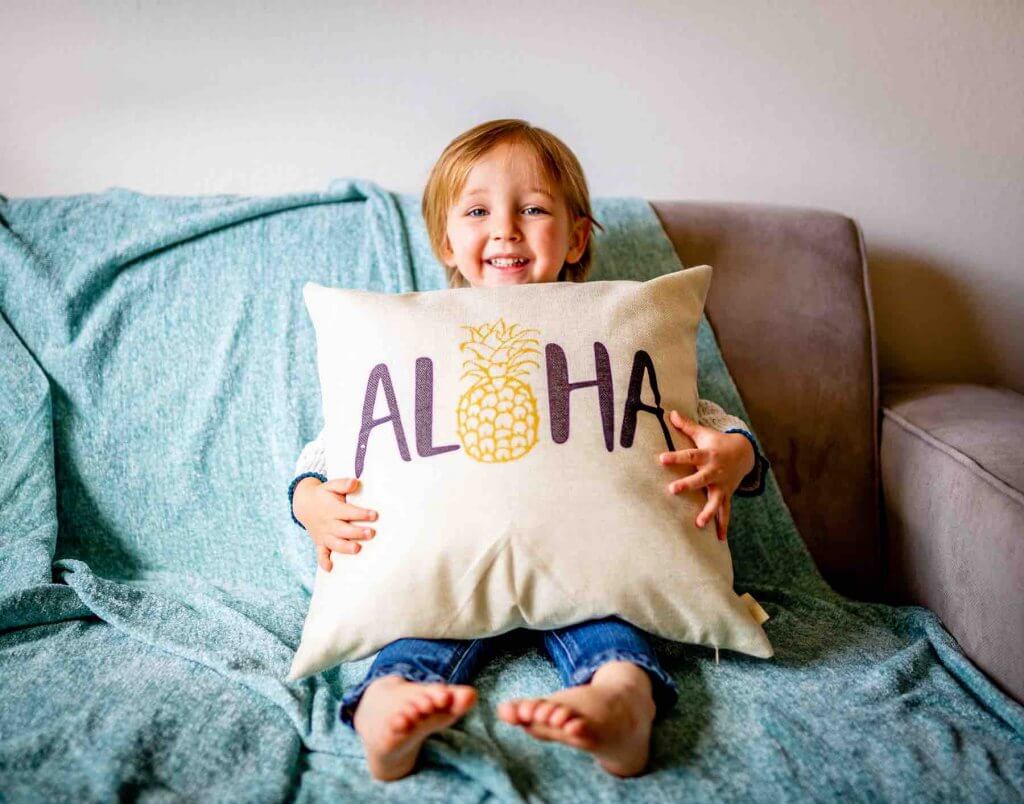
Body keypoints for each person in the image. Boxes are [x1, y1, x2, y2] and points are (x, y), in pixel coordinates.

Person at [288, 119, 770, 781]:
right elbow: (338, 442)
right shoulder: (413, 338)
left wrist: (735, 457)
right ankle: (387, 704)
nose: (506, 228)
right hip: (443, 566)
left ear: (576, 238)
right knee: (413, 631)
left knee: (615, 628)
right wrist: (310, 497)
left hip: (596, 565)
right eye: (479, 210)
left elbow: (700, 419)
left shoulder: (620, 331)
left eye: (534, 208)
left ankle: (620, 701)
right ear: (447, 241)